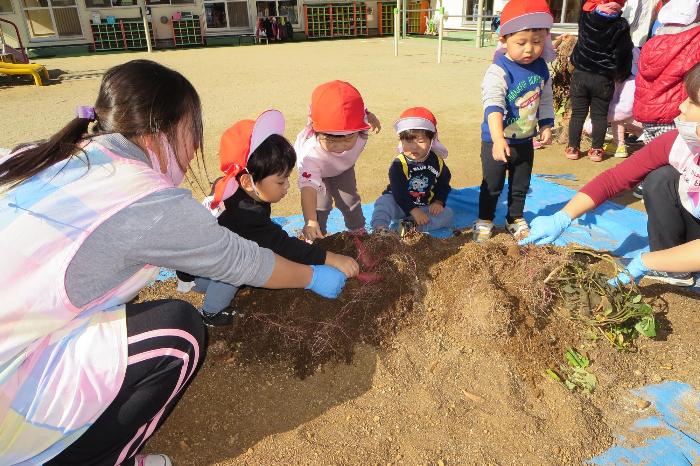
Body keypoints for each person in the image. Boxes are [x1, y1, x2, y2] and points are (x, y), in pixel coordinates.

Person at [0, 60, 347, 465]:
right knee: (178, 332)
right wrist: (312, 275)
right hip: (11, 388)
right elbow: (241, 260)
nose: (194, 148)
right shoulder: (142, 195)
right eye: (191, 132)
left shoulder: (33, 154)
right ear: (158, 134)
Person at [521, 63, 700, 288]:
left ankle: (673, 262)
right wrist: (563, 216)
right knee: (661, 178)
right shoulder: (678, 143)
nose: (682, 106)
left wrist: (647, 261)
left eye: (693, 102)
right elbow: (615, 179)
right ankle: (675, 267)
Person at [177, 110, 359, 326]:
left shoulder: (231, 185)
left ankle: (212, 287)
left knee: (240, 257)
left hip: (195, 264)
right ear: (248, 181)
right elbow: (281, 245)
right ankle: (211, 313)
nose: (287, 187)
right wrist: (330, 258)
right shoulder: (245, 214)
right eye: (281, 182)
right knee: (238, 266)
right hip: (201, 270)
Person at [474, 0, 555, 243]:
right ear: (504, 40)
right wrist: (498, 139)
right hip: (496, 142)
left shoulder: (541, 68)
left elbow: (545, 98)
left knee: (520, 183)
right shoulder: (499, 71)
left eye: (537, 42)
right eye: (521, 43)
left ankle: (514, 217)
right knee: (493, 185)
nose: (530, 49)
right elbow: (493, 106)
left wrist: (546, 124)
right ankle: (485, 220)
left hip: (524, 141)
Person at [295, 80, 381, 242]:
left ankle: (358, 233)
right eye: (331, 141)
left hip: (343, 168)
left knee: (350, 201)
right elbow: (308, 190)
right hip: (317, 171)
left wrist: (370, 116)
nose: (340, 147)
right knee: (322, 205)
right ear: (316, 131)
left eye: (348, 139)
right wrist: (310, 221)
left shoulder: (360, 129)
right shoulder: (310, 155)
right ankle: (316, 236)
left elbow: (359, 111)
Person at [631, 0, 700, 198]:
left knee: (654, 153)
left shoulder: (652, 42)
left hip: (648, 112)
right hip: (672, 113)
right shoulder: (694, 41)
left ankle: (646, 184)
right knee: (675, 159)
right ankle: (663, 193)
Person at [565, 0, 634, 162]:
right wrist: (621, 74)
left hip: (580, 74)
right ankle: (596, 150)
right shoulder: (621, 25)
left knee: (578, 114)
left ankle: (572, 148)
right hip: (604, 77)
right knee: (599, 116)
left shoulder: (586, 17)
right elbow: (623, 52)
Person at [370, 107, 454, 234]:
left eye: (421, 141)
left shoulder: (437, 161)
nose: (414, 147)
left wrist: (438, 201)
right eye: (408, 141)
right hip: (399, 203)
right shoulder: (399, 164)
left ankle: (409, 227)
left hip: (425, 205)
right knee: (383, 202)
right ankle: (380, 228)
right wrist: (413, 210)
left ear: (432, 139)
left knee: (447, 215)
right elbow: (399, 192)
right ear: (401, 140)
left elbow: (444, 184)